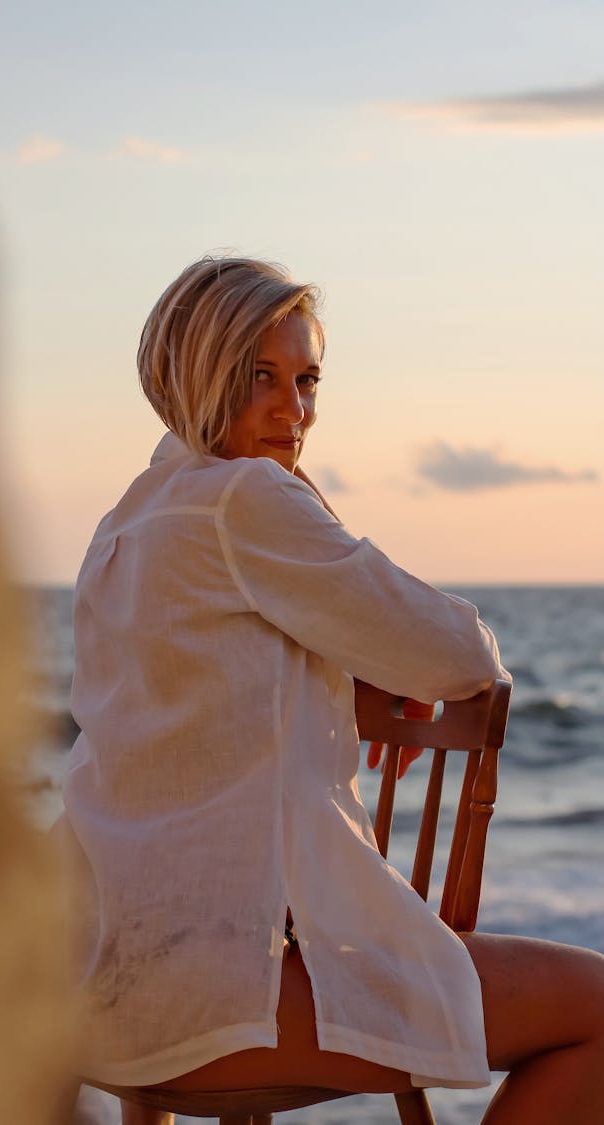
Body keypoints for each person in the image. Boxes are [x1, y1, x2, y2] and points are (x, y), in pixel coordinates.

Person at [61, 256, 604, 1124]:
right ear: (197, 372)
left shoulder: (126, 518)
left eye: (308, 380)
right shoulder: (246, 498)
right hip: (211, 1004)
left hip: (87, 978)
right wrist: (306, 504)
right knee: (600, 1009)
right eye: (259, 377)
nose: (294, 409)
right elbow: (457, 650)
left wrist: (336, 676)